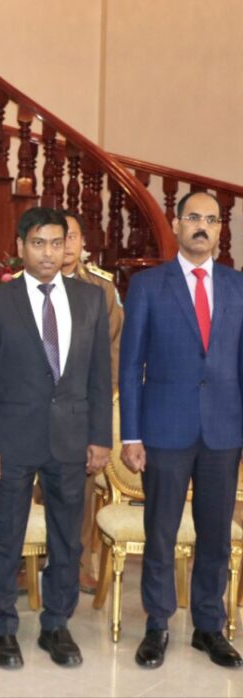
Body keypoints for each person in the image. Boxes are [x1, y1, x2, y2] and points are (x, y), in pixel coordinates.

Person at [0, 206, 111, 669]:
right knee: (6, 535)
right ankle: (2, 628)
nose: (48, 253)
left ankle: (56, 624)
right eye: (38, 243)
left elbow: (99, 376)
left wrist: (100, 437)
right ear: (21, 247)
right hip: (12, 440)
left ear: (68, 245)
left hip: (72, 438)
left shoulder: (90, 300)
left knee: (67, 539)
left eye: (57, 242)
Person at [120, 191, 243, 669]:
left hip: (223, 431)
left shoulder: (237, 285)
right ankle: (157, 624)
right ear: (176, 224)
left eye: (211, 219)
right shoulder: (148, 286)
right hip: (164, 429)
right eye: (193, 217)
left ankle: (209, 625)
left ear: (219, 230)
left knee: (216, 534)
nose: (202, 226)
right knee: (161, 532)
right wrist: (131, 434)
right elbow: (131, 365)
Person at [60, 208, 124, 595]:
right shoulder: (23, 286)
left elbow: (113, 355)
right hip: (35, 411)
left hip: (82, 409)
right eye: (59, 235)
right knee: (31, 489)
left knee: (80, 494)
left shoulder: (102, 290)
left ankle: (79, 563)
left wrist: (103, 409)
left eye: (72, 236)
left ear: (83, 243)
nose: (65, 244)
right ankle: (26, 561)